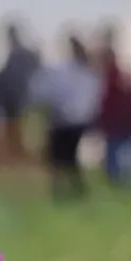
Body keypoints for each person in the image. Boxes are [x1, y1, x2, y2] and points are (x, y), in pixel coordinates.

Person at [30, 32, 100, 201]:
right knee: (67, 159)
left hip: (64, 122)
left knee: (60, 159)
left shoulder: (71, 72)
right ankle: (73, 191)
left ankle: (66, 192)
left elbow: (45, 93)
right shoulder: (85, 73)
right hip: (72, 122)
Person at [94, 21, 131, 188]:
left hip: (120, 124)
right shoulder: (116, 77)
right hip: (118, 124)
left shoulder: (115, 78)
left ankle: (125, 187)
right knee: (117, 158)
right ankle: (123, 187)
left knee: (119, 159)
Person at [0, 20, 41, 170]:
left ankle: (21, 163)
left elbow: (12, 78)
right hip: (19, 101)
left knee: (21, 134)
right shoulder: (25, 54)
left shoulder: (18, 55)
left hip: (18, 101)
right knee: (18, 134)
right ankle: (18, 162)